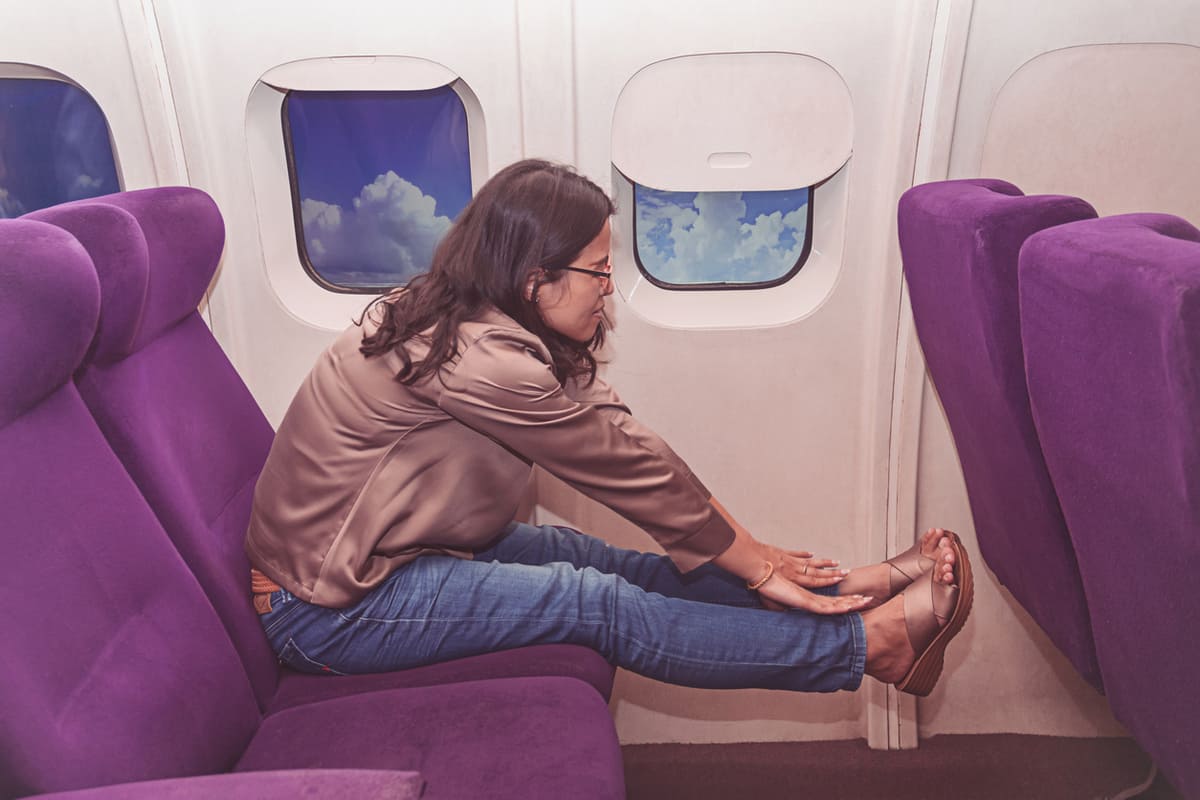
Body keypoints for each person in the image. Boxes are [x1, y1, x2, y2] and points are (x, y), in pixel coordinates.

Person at [246, 158, 972, 697]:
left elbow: (632, 446)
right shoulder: (482, 359)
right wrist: (756, 564)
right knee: (592, 602)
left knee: (591, 557)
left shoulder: (492, 319)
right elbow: (626, 474)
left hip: (399, 549)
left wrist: (761, 555)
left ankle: (850, 592)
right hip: (326, 608)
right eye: (597, 271)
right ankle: (866, 647)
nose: (607, 289)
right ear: (535, 278)